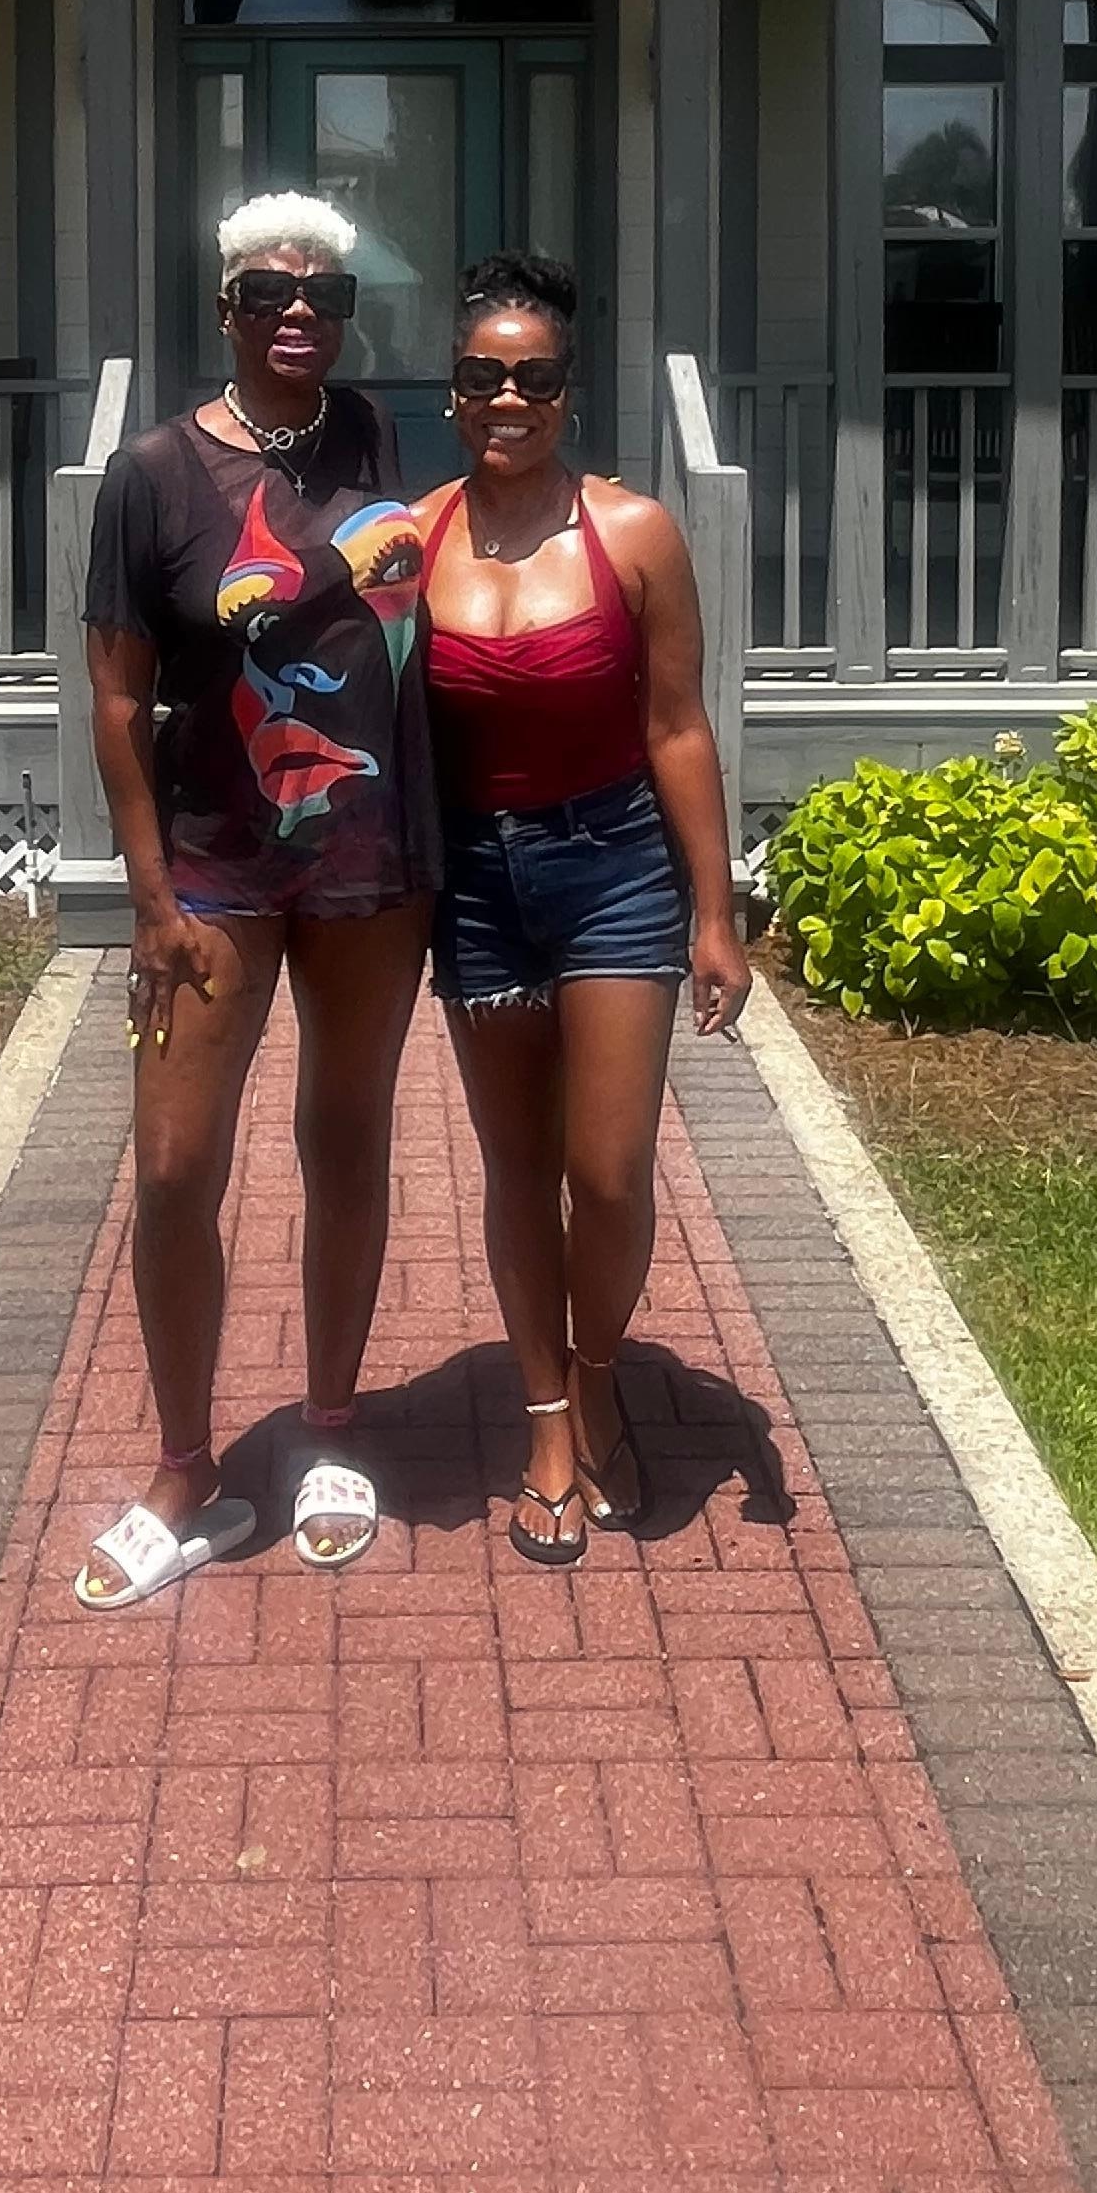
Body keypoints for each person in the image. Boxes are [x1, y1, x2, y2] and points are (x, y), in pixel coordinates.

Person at [74, 193, 438, 1607]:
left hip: (364, 860)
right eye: (269, 291)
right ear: (224, 307)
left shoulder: (370, 438)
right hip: (214, 863)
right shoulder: (152, 476)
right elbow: (115, 701)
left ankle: (333, 1427)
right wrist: (148, 901)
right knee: (174, 1169)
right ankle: (186, 1466)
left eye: (327, 290)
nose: (301, 309)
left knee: (344, 1139)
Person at [418, 252, 750, 1564]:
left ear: (568, 391)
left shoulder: (635, 531)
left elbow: (676, 725)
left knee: (605, 1176)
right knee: (516, 1172)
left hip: (614, 864)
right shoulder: (413, 539)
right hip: (479, 882)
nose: (511, 397)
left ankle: (601, 1370)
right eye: (486, 375)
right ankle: (550, 1419)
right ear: (454, 391)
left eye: (536, 376)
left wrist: (714, 912)